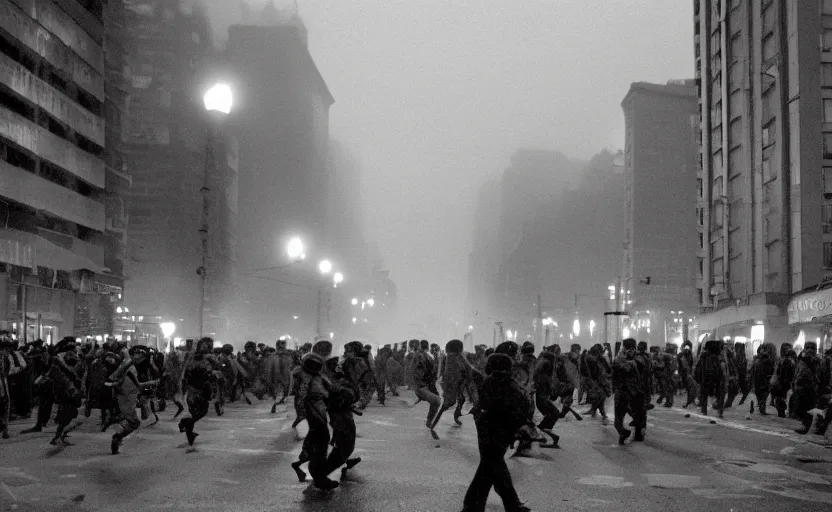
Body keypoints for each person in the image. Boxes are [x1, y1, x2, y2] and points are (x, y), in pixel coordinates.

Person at [460, 353, 533, 512]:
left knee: (491, 467)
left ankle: (477, 505)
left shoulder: (488, 382)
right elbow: (520, 408)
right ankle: (480, 505)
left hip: (487, 429)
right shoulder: (509, 385)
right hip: (501, 431)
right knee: (492, 467)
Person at [302, 353, 338, 490]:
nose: (314, 367)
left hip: (318, 412)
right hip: (315, 413)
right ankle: (319, 478)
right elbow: (323, 393)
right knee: (320, 441)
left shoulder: (315, 377)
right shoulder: (308, 379)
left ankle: (318, 475)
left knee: (319, 440)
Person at [178, 337, 220, 446]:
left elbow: (185, 372)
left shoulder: (191, 357)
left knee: (193, 411)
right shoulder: (208, 358)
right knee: (202, 410)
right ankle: (187, 426)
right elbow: (210, 371)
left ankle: (189, 434)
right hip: (200, 389)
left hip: (190, 390)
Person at [430, 339, 479, 430]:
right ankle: (433, 425)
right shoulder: (454, 358)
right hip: (453, 384)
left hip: (456, 383)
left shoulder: (453, 357)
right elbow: (467, 369)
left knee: (460, 400)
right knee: (448, 404)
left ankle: (456, 415)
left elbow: (466, 369)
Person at [612, 338, 647, 444]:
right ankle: (630, 433)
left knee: (624, 418)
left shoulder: (626, 359)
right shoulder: (639, 358)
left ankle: (631, 433)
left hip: (628, 393)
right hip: (630, 392)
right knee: (630, 417)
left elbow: (617, 372)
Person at [413, 340, 441, 437]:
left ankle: (429, 421)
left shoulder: (428, 355)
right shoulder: (419, 355)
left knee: (436, 402)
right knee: (436, 401)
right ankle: (429, 422)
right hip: (422, 385)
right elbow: (415, 370)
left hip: (429, 384)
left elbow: (434, 368)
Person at [792, 342, 820, 435]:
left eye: (812, 348)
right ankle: (805, 425)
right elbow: (798, 370)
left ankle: (806, 427)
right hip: (801, 386)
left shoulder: (814, 359)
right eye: (807, 347)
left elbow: (813, 365)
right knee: (803, 407)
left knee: (808, 407)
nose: (809, 349)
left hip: (809, 387)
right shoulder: (802, 359)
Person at [694, 340, 726, 418]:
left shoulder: (703, 356)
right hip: (714, 379)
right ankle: (719, 412)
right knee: (719, 394)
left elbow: (697, 368)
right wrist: (721, 377)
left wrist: (698, 378)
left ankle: (704, 411)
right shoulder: (714, 357)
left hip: (705, 379)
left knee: (705, 395)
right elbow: (719, 369)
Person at [749, 343, 776, 415]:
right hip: (764, 381)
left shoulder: (756, 360)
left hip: (758, 381)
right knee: (763, 395)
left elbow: (752, 371)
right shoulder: (769, 361)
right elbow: (771, 371)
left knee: (759, 395)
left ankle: (761, 407)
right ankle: (762, 408)